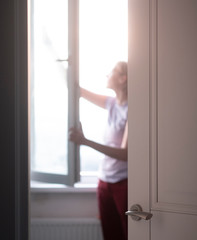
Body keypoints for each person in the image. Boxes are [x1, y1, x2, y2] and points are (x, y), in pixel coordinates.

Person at [69, 61, 128, 240]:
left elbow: (126, 154)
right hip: (104, 182)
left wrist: (86, 142)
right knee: (110, 234)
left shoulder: (133, 110)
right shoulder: (111, 103)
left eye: (112, 72)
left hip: (123, 183)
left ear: (123, 78)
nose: (107, 75)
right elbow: (77, 91)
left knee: (128, 234)